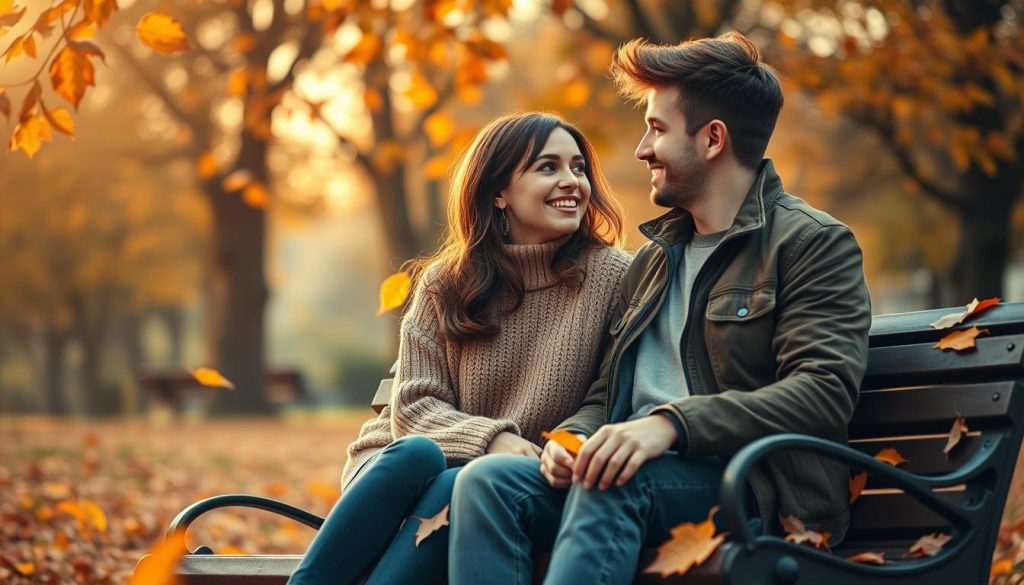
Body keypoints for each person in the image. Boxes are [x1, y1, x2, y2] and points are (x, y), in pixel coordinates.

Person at [449, 32, 872, 585]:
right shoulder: (653, 261)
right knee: (487, 483)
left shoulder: (810, 243)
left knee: (617, 480)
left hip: (746, 488)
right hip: (629, 477)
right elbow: (607, 392)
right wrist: (570, 440)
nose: (640, 150)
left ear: (713, 139)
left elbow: (823, 391)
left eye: (656, 129)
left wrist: (669, 426)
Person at [286, 112, 631, 585]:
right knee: (418, 457)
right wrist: (493, 440)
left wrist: (510, 456)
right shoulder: (447, 281)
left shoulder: (613, 276)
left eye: (578, 168)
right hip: (395, 476)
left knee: (457, 484)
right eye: (548, 167)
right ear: (498, 192)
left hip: (503, 489)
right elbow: (412, 406)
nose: (571, 181)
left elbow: (611, 396)